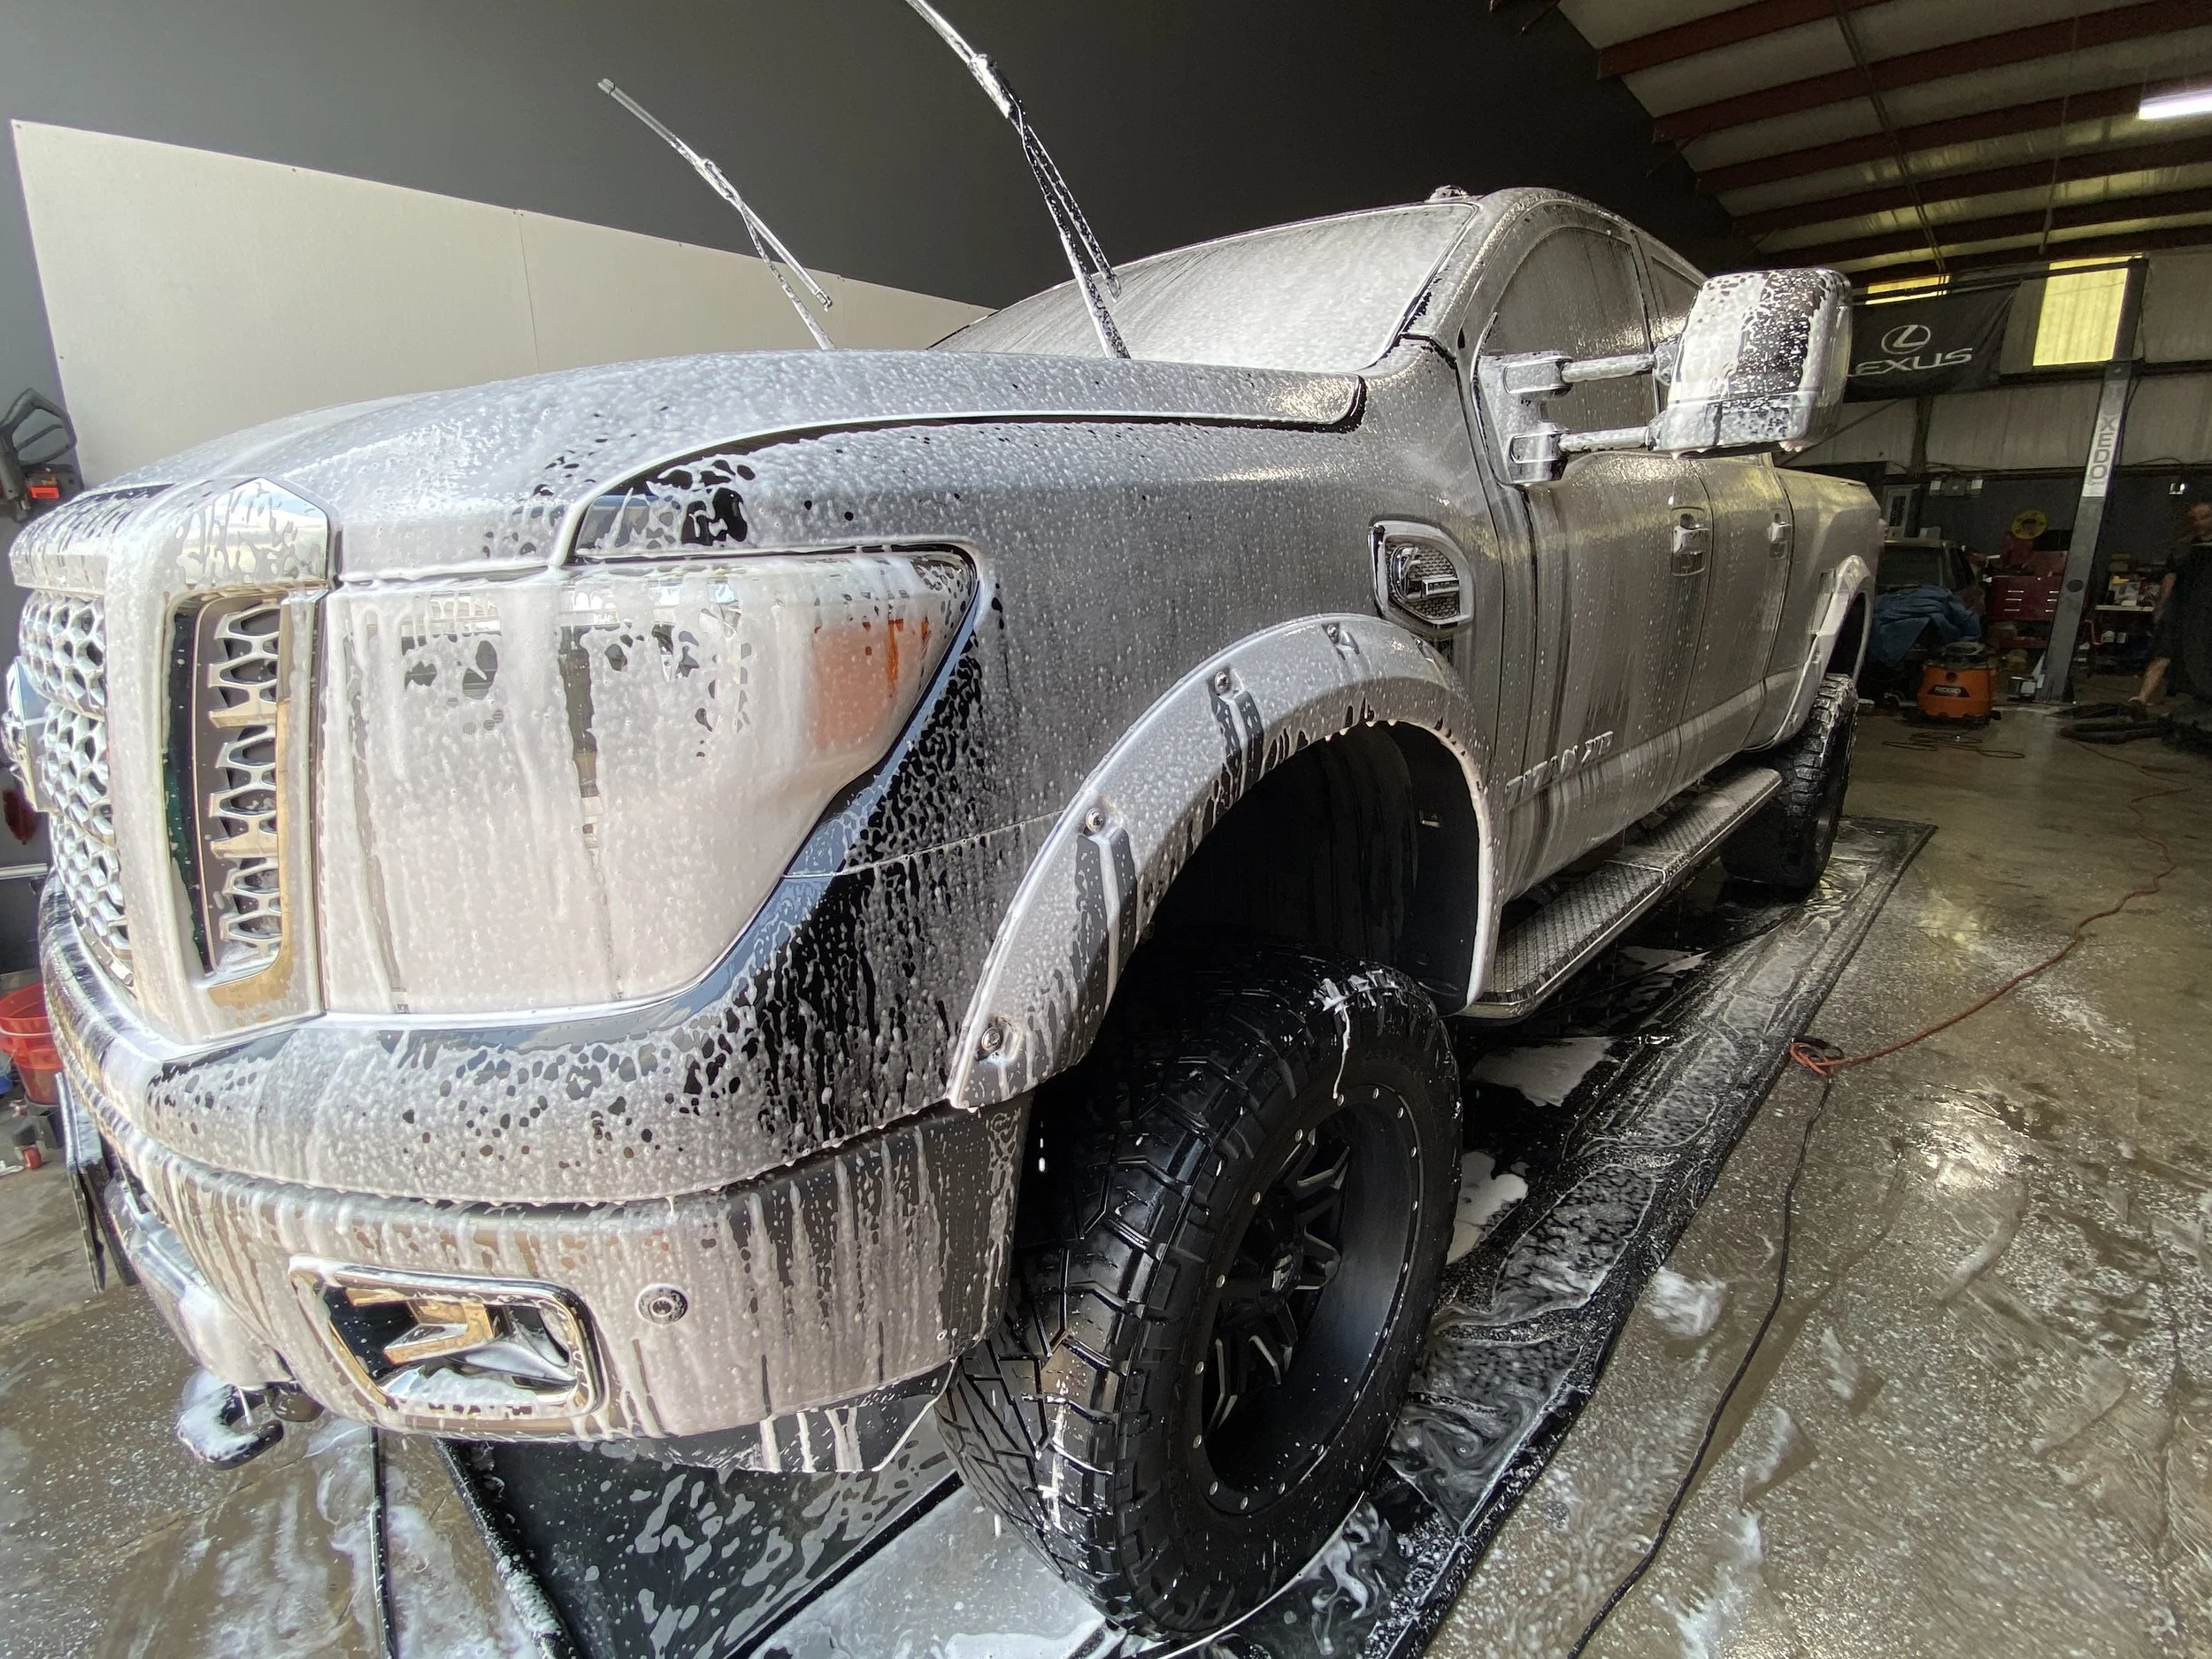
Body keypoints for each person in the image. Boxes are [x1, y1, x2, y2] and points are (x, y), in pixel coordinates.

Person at [2130, 499, 2212, 710]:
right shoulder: (2184, 548)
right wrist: (2162, 606)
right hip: (2181, 607)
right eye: (2194, 518)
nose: (2199, 523)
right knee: (2163, 651)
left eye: (2205, 517)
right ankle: (2141, 698)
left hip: (2206, 610)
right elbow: (2170, 577)